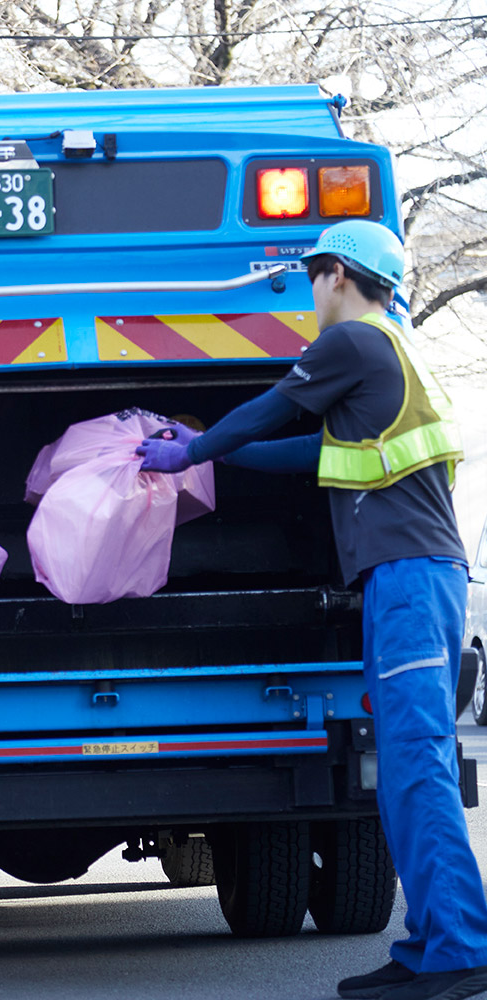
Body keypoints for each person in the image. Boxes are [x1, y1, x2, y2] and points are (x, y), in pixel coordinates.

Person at [136, 219, 487, 1000]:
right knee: (403, 768)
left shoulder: (352, 341)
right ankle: (433, 945)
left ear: (338, 274)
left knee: (418, 764)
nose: (307, 294)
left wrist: (190, 450)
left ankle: (461, 949)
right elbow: (310, 454)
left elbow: (269, 411)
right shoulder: (390, 349)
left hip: (409, 578)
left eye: (311, 278)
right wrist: (209, 457)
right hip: (410, 578)